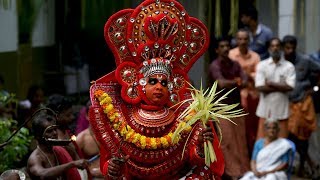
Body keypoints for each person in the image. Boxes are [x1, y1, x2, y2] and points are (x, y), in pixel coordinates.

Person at [88, 0, 225, 179]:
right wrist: (112, 169)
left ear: (173, 85)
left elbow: (196, 161)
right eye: (153, 81)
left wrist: (201, 145)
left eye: (164, 83)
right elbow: (109, 163)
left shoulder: (187, 112)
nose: (159, 87)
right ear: (138, 84)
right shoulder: (121, 113)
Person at [209, 37, 250, 179]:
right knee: (226, 141)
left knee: (240, 141)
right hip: (221, 109)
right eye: (222, 46)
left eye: (227, 45)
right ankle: (231, 173)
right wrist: (237, 81)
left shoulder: (235, 64)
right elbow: (221, 83)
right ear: (217, 50)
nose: (226, 48)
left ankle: (243, 171)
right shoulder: (215, 65)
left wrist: (237, 82)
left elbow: (245, 81)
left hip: (236, 107)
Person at [282, 35, 320, 178]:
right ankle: (308, 164)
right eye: (287, 48)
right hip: (287, 103)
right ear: (283, 48)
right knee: (291, 135)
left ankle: (306, 165)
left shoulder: (305, 60)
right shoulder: (281, 62)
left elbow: (318, 71)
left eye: (292, 47)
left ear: (296, 47)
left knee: (302, 135)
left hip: (303, 103)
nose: (289, 50)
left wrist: (314, 88)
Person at [26, 108, 89, 179]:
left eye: (55, 129)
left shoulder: (59, 151)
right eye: (49, 131)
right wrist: (72, 164)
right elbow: (42, 174)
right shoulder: (35, 158)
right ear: (38, 136)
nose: (55, 133)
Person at [255, 37, 296, 139]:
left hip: (281, 111)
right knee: (263, 142)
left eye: (277, 46)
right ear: (269, 48)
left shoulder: (289, 66)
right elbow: (259, 87)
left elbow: (290, 87)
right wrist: (281, 86)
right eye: (272, 46)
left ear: (281, 48)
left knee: (282, 144)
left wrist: (271, 84)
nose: (275, 48)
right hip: (265, 110)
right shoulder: (262, 65)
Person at [228, 29, 260, 155]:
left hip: (253, 94)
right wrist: (248, 75)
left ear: (249, 40)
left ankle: (253, 154)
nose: (242, 42)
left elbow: (259, 76)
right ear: (236, 40)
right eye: (240, 39)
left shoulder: (255, 56)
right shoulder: (231, 54)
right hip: (236, 95)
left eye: (245, 39)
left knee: (253, 128)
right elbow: (231, 76)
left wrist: (244, 75)